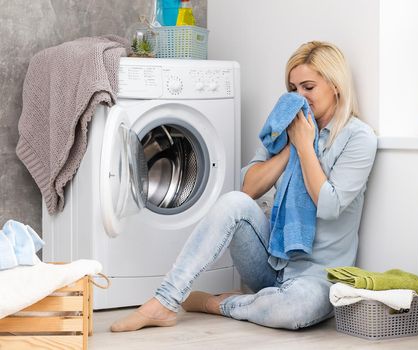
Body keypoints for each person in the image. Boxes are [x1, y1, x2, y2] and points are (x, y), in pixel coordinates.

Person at [110, 41, 377, 332]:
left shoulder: (358, 138)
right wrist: (291, 148)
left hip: (318, 277)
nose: (299, 97)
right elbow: (247, 188)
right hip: (272, 262)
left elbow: (329, 206)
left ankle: (221, 304)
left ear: (335, 85)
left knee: (294, 309)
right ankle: (164, 301)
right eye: (293, 88)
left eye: (308, 87)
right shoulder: (286, 126)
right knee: (233, 202)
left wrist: (306, 147)